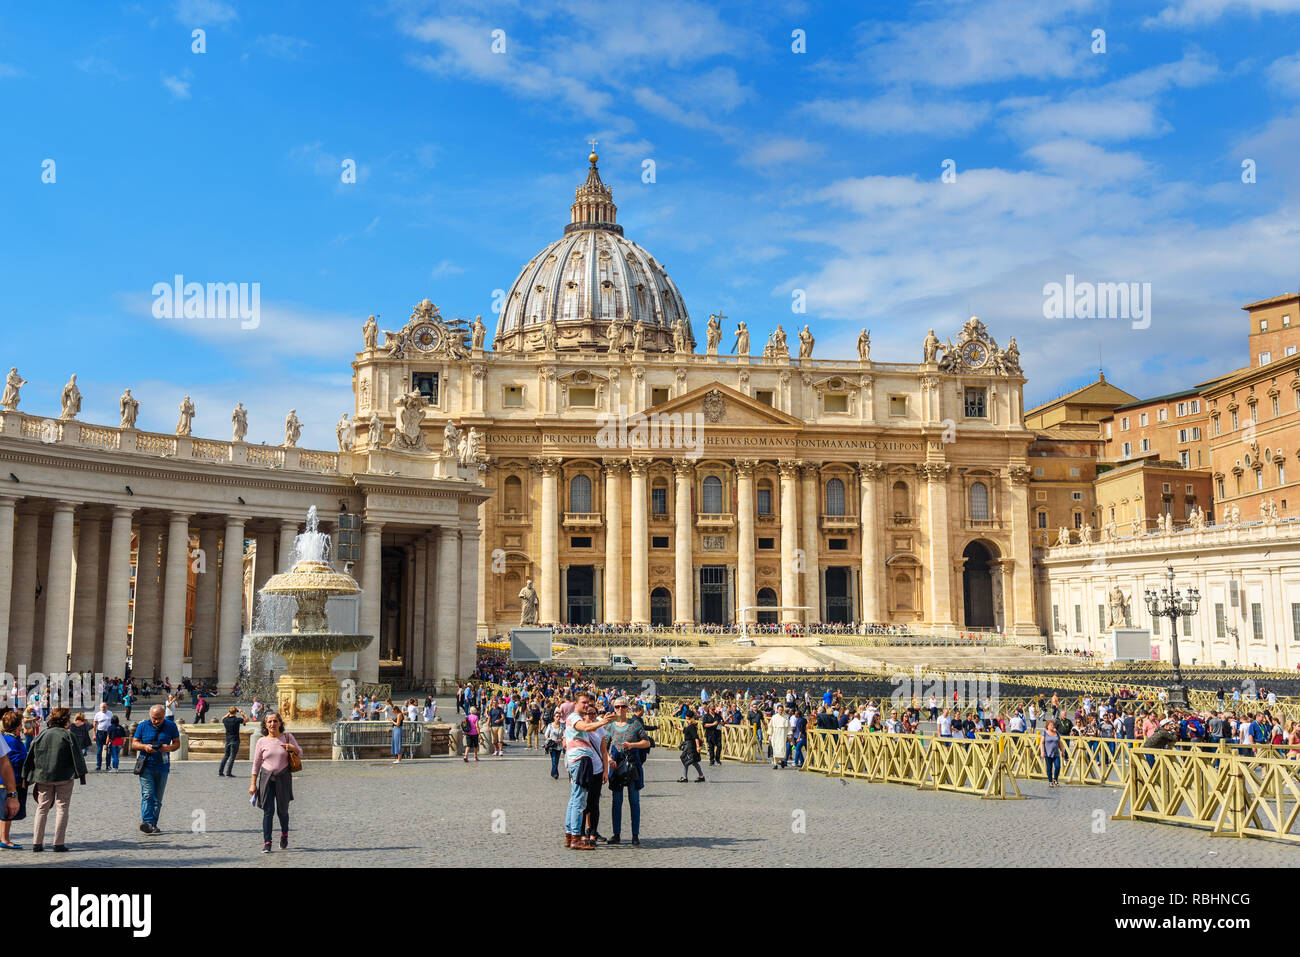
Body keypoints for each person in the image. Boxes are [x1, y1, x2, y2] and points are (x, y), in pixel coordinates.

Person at [22, 708, 87, 852]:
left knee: (42, 808)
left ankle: (37, 843)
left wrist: (26, 776)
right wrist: (81, 774)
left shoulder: (41, 735)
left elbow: (31, 755)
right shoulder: (68, 735)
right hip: (64, 776)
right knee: (62, 808)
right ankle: (58, 843)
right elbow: (78, 756)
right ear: (65, 720)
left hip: (43, 777)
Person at [563, 692, 616, 850]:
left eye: (588, 703)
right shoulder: (574, 718)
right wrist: (603, 722)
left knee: (574, 800)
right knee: (579, 801)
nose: (586, 705)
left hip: (579, 760)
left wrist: (600, 721)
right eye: (583, 702)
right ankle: (576, 839)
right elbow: (585, 726)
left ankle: (569, 835)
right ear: (575, 703)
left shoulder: (576, 717)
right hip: (580, 760)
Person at [249, 711, 302, 853]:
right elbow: (256, 764)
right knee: (268, 811)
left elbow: (300, 753)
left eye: (275, 721)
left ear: (280, 723)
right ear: (265, 725)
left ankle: (284, 834)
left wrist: (293, 748)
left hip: (283, 778)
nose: (272, 724)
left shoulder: (288, 737)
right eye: (269, 721)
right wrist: (253, 784)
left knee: (282, 811)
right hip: (266, 778)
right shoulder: (261, 741)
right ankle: (267, 842)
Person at [605, 697, 651, 846]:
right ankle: (616, 834)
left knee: (634, 801)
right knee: (616, 801)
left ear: (627, 708)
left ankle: (635, 835)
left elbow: (647, 742)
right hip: (616, 765)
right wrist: (609, 759)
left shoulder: (635, 724)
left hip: (632, 765)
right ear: (614, 708)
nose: (620, 709)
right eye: (617, 707)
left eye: (623, 706)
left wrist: (632, 744)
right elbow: (603, 746)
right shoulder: (610, 726)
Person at [132, 704, 180, 834]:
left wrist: (168, 748)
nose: (157, 721)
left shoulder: (171, 726)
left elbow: (177, 743)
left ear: (164, 716)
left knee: (157, 798)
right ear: (150, 716)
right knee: (148, 794)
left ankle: (152, 824)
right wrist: (144, 747)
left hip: (163, 766)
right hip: (146, 765)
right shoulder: (142, 726)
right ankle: (147, 821)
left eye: (159, 718)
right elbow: (134, 743)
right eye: (154, 718)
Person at [1, 711, 28, 849]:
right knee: (7, 812)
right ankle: (4, 839)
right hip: (10, 780)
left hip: (11, 779)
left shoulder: (9, 738)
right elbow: (10, 761)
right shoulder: (10, 740)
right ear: (17, 725)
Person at [219, 706, 247, 777]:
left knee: (225, 756)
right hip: (235, 740)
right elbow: (246, 719)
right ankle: (228, 773)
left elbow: (222, 718)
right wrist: (241, 712)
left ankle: (220, 772)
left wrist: (229, 713)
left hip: (228, 740)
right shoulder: (237, 720)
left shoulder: (225, 720)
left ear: (229, 712)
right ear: (235, 712)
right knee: (232, 757)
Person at [678, 713, 705, 783]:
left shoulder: (692, 726)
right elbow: (685, 730)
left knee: (686, 760)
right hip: (689, 745)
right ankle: (701, 776)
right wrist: (677, 728)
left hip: (691, 746)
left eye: (686, 716)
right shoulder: (689, 725)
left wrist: (698, 747)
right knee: (694, 761)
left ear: (688, 717)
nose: (685, 717)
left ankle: (685, 777)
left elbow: (695, 737)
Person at [92, 703, 114, 771]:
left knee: (108, 750)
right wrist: (94, 734)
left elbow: (113, 723)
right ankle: (98, 765)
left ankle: (108, 765)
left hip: (108, 733)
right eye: (102, 707)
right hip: (100, 733)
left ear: (106, 707)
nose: (103, 708)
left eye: (104, 707)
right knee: (99, 750)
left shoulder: (110, 713)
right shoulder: (97, 714)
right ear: (100, 707)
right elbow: (95, 725)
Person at [1042, 720, 1062, 788]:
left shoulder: (1056, 733)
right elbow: (1042, 743)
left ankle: (1055, 779)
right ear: (1047, 726)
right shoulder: (1045, 733)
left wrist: (1062, 751)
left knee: (1058, 766)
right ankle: (1050, 781)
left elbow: (1060, 742)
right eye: (1050, 725)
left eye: (1053, 725)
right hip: (1048, 753)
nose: (1052, 726)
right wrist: (1042, 752)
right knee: (1049, 768)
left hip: (1056, 753)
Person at [544, 712, 564, 778]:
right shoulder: (550, 725)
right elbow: (546, 735)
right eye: (557, 716)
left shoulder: (562, 726)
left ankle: (553, 773)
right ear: (554, 717)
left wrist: (561, 739)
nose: (558, 718)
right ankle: (555, 774)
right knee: (553, 759)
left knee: (557, 760)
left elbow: (564, 735)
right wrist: (550, 739)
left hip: (559, 745)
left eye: (559, 717)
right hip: (552, 745)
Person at [769, 705, 790, 769]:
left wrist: (789, 735)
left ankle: (782, 761)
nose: (780, 711)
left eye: (781, 710)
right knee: (775, 749)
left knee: (782, 749)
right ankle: (775, 764)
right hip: (775, 735)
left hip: (783, 735)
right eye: (779, 710)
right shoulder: (774, 717)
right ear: (777, 710)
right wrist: (770, 735)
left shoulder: (786, 717)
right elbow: (770, 726)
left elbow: (789, 727)